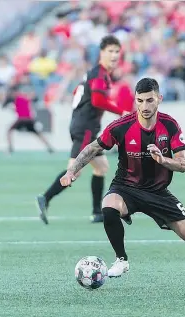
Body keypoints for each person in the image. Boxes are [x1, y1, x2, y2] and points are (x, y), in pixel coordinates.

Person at [59, 78, 185, 286]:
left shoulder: (170, 125)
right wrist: (71, 171)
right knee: (108, 206)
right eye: (140, 101)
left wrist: (162, 159)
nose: (144, 106)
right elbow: (93, 148)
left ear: (159, 99)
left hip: (158, 191)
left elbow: (183, 164)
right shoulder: (121, 126)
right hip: (126, 187)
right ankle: (121, 260)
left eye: (149, 100)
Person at [36, 35, 129, 224]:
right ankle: (45, 198)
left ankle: (96, 212)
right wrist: (121, 111)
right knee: (74, 170)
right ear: (101, 53)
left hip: (84, 126)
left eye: (116, 51)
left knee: (102, 167)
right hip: (85, 128)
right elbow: (97, 100)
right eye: (110, 51)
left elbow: (80, 94)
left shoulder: (96, 73)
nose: (113, 55)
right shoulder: (100, 74)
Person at [3, 75, 53, 154]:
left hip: (22, 119)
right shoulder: (24, 98)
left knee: (9, 131)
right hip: (29, 119)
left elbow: (6, 104)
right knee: (38, 133)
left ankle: (10, 148)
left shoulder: (16, 98)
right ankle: (50, 148)